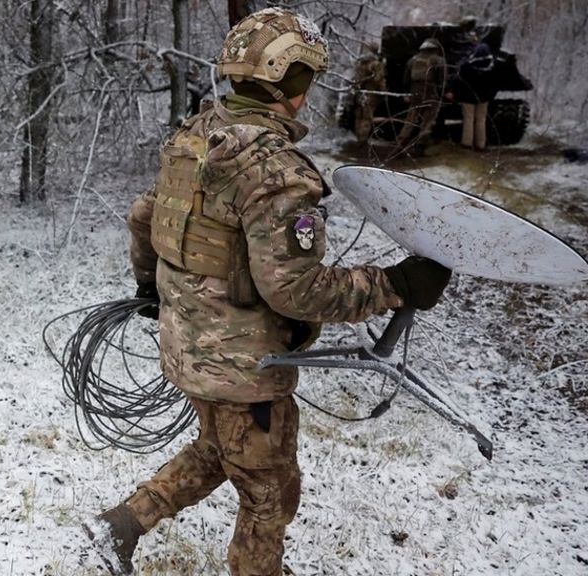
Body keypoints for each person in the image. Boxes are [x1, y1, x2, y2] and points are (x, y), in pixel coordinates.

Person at [83, 7, 452, 576]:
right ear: (290, 82)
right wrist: (394, 285)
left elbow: (142, 218)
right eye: (305, 79)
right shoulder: (272, 171)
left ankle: (121, 526)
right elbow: (296, 292)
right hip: (243, 368)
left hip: (189, 348)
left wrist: (148, 286)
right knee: (270, 493)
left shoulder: (195, 135)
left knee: (218, 451)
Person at [394, 38, 447, 156]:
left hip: (415, 94)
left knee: (410, 121)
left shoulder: (412, 60)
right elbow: (442, 81)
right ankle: (420, 148)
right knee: (427, 123)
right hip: (431, 95)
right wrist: (441, 94)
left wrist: (408, 93)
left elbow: (405, 80)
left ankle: (399, 147)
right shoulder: (439, 61)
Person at [452, 38, 497, 150]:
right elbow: (494, 84)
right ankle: (480, 144)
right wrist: (489, 96)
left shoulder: (466, 66)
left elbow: (458, 82)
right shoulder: (492, 68)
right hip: (483, 98)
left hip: (467, 98)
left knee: (468, 119)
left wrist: (457, 94)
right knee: (481, 120)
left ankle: (467, 143)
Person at [352, 42, 387, 143]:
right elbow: (378, 79)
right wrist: (383, 91)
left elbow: (354, 78)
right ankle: (363, 140)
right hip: (370, 94)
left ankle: (358, 137)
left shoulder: (360, 62)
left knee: (359, 116)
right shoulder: (376, 63)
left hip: (359, 93)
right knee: (367, 118)